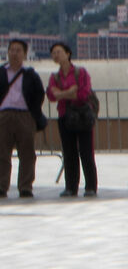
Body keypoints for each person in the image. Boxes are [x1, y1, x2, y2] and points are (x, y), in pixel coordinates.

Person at [45, 42, 97, 197]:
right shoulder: (54, 76)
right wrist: (69, 92)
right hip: (64, 116)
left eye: (59, 52)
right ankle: (71, 187)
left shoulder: (80, 72)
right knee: (69, 153)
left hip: (82, 115)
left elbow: (83, 94)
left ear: (68, 53)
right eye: (53, 53)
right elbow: (51, 96)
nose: (56, 55)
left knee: (86, 152)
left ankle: (90, 187)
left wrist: (61, 93)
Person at [0, 40, 44, 200]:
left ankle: (25, 186)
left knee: (27, 153)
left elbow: (39, 93)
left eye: (18, 50)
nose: (14, 53)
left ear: (24, 54)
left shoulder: (30, 74)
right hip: (3, 115)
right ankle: (1, 186)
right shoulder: (1, 72)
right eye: (12, 50)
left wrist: (33, 113)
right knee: (2, 153)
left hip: (25, 115)